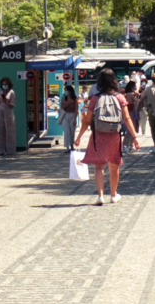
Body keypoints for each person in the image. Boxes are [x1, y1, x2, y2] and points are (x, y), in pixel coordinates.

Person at [74, 67, 139, 205]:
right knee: (114, 166)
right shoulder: (120, 97)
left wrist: (79, 136)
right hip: (114, 135)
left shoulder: (95, 98)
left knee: (99, 167)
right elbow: (127, 118)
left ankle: (100, 196)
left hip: (98, 135)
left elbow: (87, 121)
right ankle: (113, 195)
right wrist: (135, 137)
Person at [0, 78, 16, 156]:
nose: (4, 86)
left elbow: (12, 104)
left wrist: (5, 100)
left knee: (9, 131)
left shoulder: (11, 92)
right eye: (3, 84)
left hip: (8, 112)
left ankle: (10, 150)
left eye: (6, 84)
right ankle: (0, 150)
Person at [122, 80, 141, 153]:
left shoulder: (129, 94)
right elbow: (137, 93)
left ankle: (130, 144)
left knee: (134, 128)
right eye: (134, 87)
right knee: (130, 130)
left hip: (134, 112)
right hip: (131, 113)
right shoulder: (130, 94)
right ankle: (125, 145)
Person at [59, 84, 79, 150]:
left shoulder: (74, 98)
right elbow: (62, 106)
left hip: (72, 115)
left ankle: (72, 145)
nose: (65, 91)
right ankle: (67, 146)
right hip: (65, 115)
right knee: (66, 131)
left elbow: (76, 109)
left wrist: (75, 119)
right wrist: (68, 102)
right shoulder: (64, 98)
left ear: (70, 91)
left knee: (72, 132)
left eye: (66, 90)